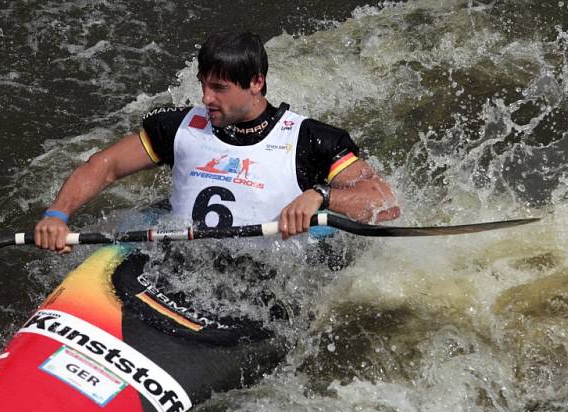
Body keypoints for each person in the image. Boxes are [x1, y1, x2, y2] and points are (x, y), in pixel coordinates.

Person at [35, 31, 400, 253]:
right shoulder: (179, 127)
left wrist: (319, 195)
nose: (207, 98)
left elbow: (384, 204)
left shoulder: (312, 140)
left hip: (264, 281)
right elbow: (105, 165)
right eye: (204, 84)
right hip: (183, 260)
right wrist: (57, 215)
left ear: (256, 83)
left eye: (220, 88)